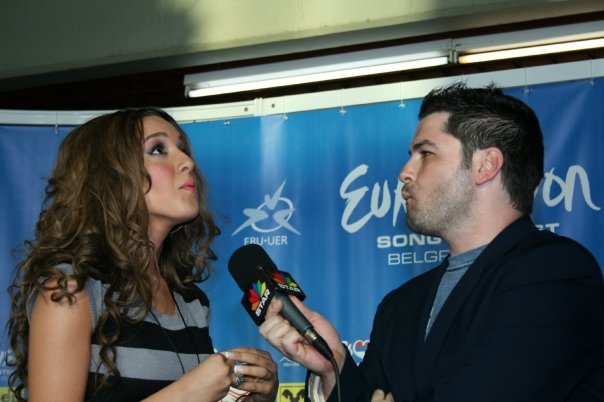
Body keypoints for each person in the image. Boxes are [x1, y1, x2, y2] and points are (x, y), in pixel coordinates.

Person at [259, 82, 604, 401]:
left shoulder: (555, 273)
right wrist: (333, 363)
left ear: (486, 165)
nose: (404, 172)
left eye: (425, 154)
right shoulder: (400, 306)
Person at [6, 107, 278, 402]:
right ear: (109, 177)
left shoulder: (191, 301)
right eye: (158, 149)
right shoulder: (71, 290)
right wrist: (185, 395)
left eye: (184, 150)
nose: (188, 162)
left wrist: (249, 395)